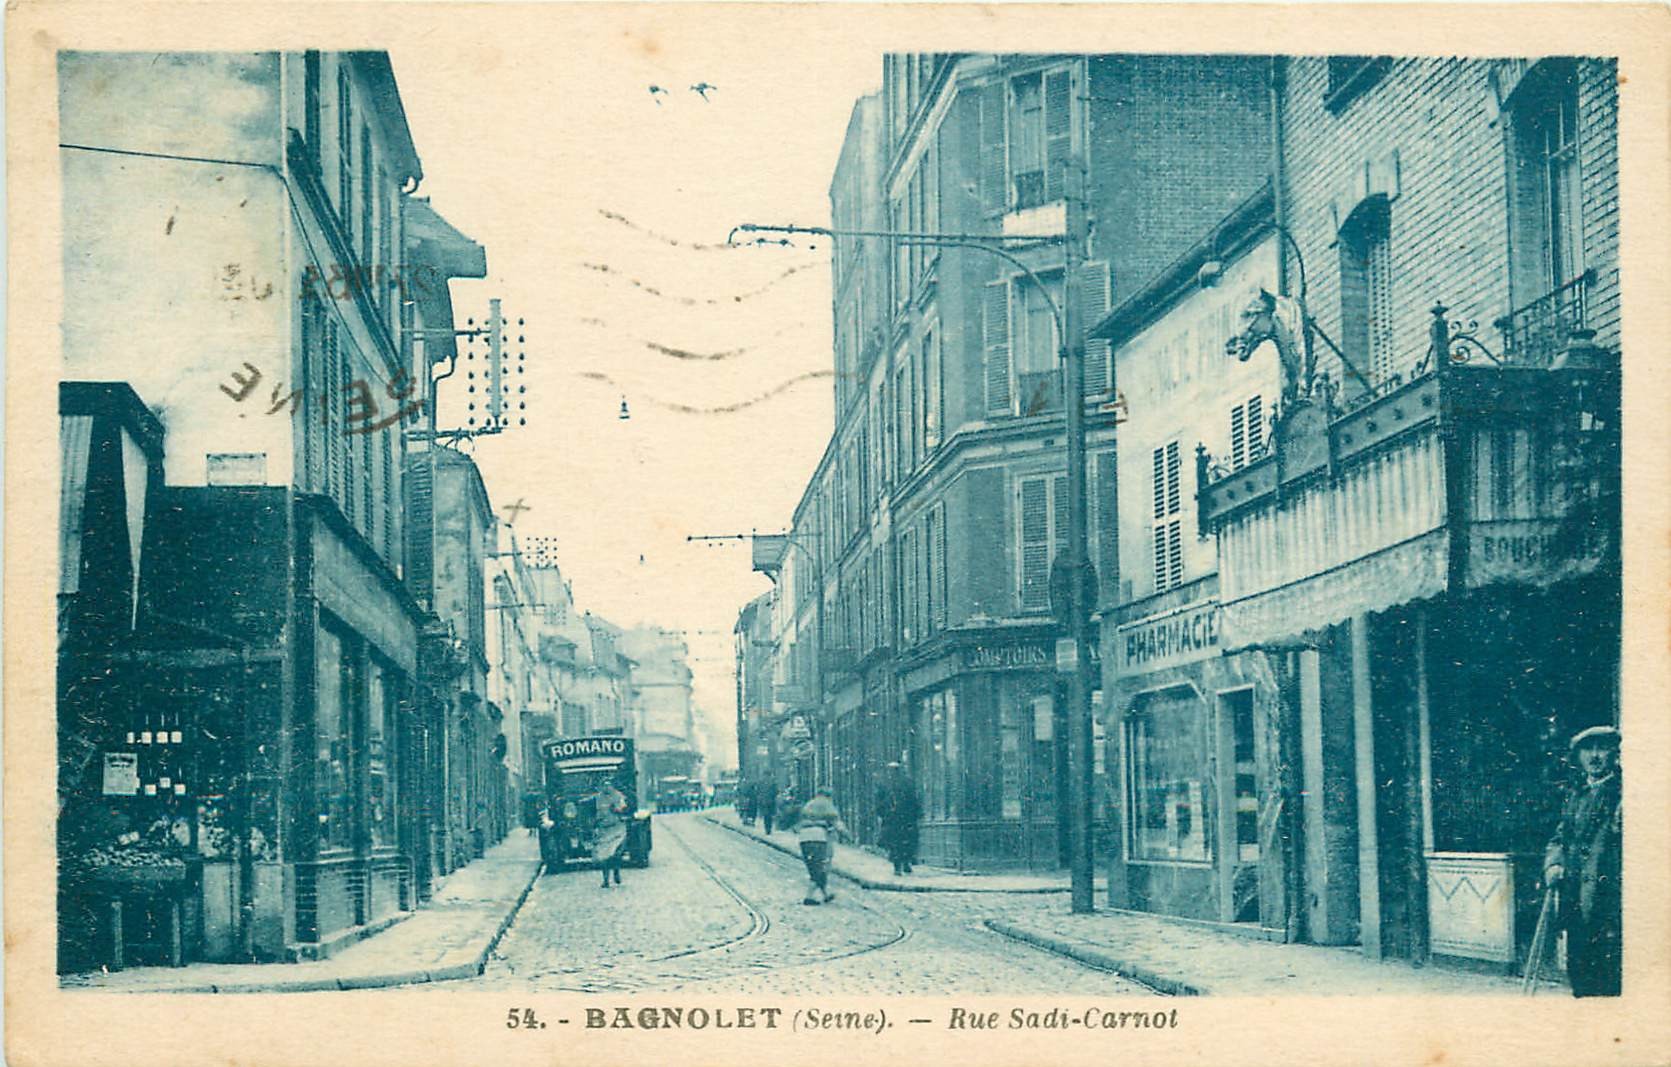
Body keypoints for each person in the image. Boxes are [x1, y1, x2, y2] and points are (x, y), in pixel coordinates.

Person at [1542, 724, 1622, 997]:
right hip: (1575, 899)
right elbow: (1559, 838)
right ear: (1578, 756)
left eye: (1603, 748)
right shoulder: (1575, 795)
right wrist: (1554, 863)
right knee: (1579, 973)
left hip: (1608, 903)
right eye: (1588, 749)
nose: (1595, 755)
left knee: (1608, 979)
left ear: (1614, 753)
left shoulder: (1623, 795)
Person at [793, 788, 846, 905]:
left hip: (804, 838)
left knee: (814, 867)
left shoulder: (809, 804)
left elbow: (796, 824)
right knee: (820, 868)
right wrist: (845, 834)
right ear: (828, 796)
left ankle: (825, 894)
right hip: (819, 838)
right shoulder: (827, 805)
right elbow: (837, 823)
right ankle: (809, 897)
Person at [877, 763, 922, 876]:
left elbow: (879, 802)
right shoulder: (907, 782)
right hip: (905, 819)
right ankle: (904, 863)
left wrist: (883, 814)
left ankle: (900, 865)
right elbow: (915, 800)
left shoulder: (886, 784)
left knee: (896, 844)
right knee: (904, 842)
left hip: (895, 820)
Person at [594, 782, 631, 889]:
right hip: (604, 829)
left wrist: (616, 809)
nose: (606, 787)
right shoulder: (598, 798)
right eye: (604, 785)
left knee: (615, 853)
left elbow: (623, 807)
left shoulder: (618, 796)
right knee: (604, 856)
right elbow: (594, 812)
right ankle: (605, 880)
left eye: (608, 785)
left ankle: (616, 871)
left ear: (612, 786)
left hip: (617, 828)